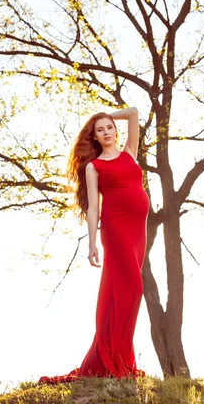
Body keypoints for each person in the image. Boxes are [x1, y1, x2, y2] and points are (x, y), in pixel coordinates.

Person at [38, 106, 149, 384]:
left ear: (115, 129)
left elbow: (134, 112)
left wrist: (104, 113)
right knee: (133, 288)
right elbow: (92, 209)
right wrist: (92, 244)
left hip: (138, 231)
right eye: (100, 130)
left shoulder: (129, 154)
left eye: (109, 127)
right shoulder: (94, 167)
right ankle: (114, 358)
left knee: (125, 292)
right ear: (95, 137)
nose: (106, 132)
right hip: (116, 230)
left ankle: (119, 357)